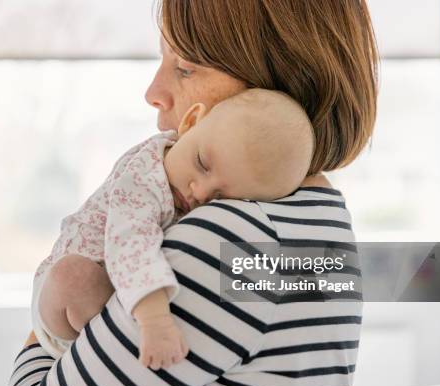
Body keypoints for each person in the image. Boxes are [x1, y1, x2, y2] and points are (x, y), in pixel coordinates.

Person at [8, 0, 378, 386]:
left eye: (185, 68)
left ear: (279, 79)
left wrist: (50, 311)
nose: (153, 93)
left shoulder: (228, 240)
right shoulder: (321, 217)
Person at [33, 89, 314, 370]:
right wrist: (155, 320)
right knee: (73, 276)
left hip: (112, 293)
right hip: (67, 296)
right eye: (202, 164)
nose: (200, 193)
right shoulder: (143, 180)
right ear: (190, 123)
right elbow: (132, 244)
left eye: (223, 197)